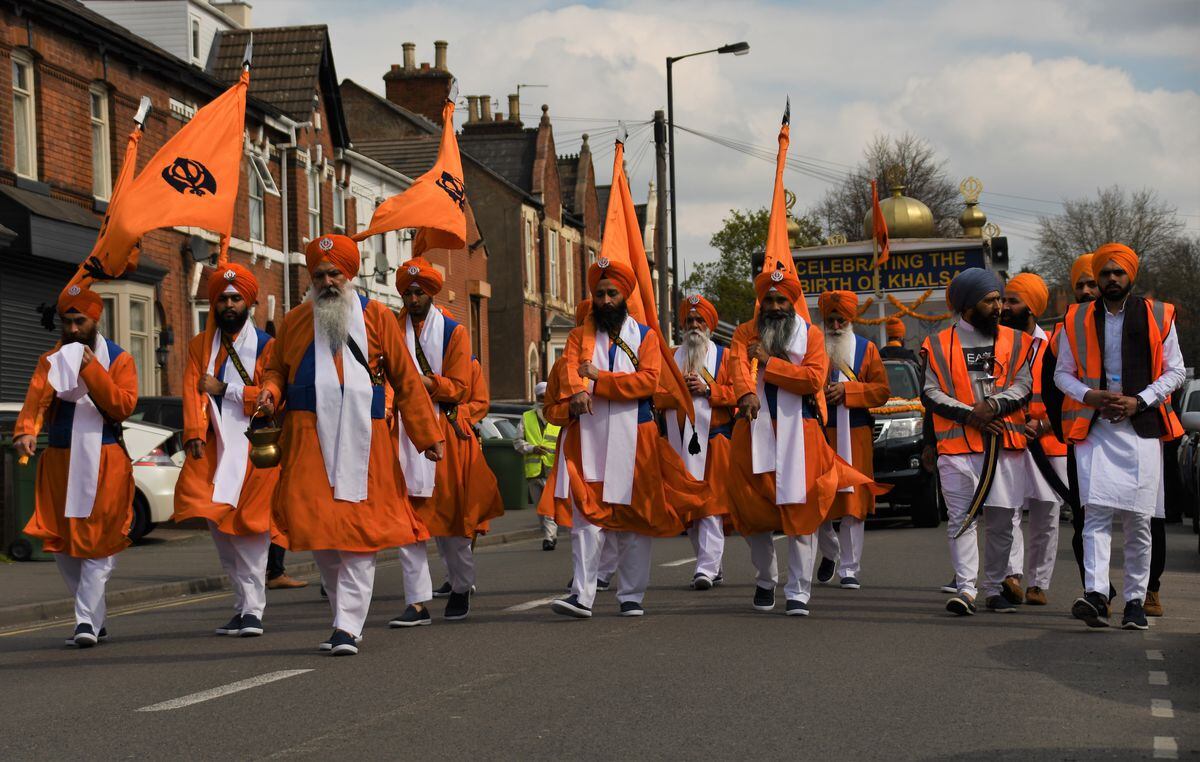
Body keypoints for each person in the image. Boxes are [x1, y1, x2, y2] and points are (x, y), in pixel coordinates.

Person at [259, 235, 444, 655]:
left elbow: (407, 381)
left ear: (349, 274)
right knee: (320, 533)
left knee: (359, 534)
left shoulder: (378, 318)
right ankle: (342, 615)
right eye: (319, 274)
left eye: (334, 274)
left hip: (367, 442)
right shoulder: (293, 322)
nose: (326, 281)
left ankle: (347, 627)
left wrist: (426, 437)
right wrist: (269, 391)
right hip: (307, 442)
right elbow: (275, 369)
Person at [548, 258, 704, 618]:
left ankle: (631, 594)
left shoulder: (647, 337)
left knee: (636, 520)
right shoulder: (577, 337)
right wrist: (576, 392)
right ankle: (582, 595)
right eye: (599, 293)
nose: (604, 300)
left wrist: (600, 380)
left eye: (611, 293)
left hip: (637, 437)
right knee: (586, 517)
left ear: (625, 295)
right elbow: (571, 371)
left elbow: (649, 381)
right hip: (588, 436)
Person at [726, 269, 877, 616]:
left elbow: (812, 379)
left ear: (792, 303)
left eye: (782, 300)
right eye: (770, 300)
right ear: (761, 302)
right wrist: (746, 393)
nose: (775, 306)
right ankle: (766, 580)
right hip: (753, 431)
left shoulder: (810, 335)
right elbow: (737, 368)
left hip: (803, 433)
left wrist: (770, 362)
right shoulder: (745, 333)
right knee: (754, 511)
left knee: (803, 511)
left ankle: (798, 590)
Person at [1055, 243, 1184, 630]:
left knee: (1139, 520)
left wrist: (1139, 400)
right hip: (1094, 427)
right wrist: (1089, 396)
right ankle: (1096, 593)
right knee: (1094, 513)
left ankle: (1134, 602)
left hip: (1142, 427)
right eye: (1105, 273)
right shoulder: (1075, 318)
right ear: (1096, 277)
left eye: (1118, 273)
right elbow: (1062, 374)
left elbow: (1175, 372)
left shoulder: (1160, 315)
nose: (1111, 279)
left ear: (1131, 276)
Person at [14, 285, 137, 647]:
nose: (71, 329)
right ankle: (94, 620)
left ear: (94, 320)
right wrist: (26, 432)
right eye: (66, 321)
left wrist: (91, 369)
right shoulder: (50, 360)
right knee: (64, 545)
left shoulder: (119, 359)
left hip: (105, 461)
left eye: (79, 321)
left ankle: (84, 621)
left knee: (100, 544)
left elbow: (122, 406)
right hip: (59, 461)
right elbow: (36, 400)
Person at [394, 257, 504, 622]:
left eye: (418, 292)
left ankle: (460, 586)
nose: (412, 299)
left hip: (447, 435)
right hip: (404, 433)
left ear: (429, 293)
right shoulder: (391, 328)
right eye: (407, 292)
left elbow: (458, 388)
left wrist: (421, 383)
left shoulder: (453, 333)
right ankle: (416, 602)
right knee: (408, 521)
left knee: (454, 525)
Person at [172, 263, 279, 637]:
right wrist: (194, 433)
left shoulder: (268, 346)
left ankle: (254, 610)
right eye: (223, 299)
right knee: (219, 529)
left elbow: (271, 399)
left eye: (235, 298)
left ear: (248, 302)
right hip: (214, 449)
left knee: (250, 531)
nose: (229, 305)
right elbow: (190, 390)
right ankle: (241, 605)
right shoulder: (200, 346)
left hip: (254, 451)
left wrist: (227, 390)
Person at [921, 268, 1034, 616]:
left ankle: (994, 587)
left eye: (999, 299)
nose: (999, 306)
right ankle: (966, 589)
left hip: (1004, 448)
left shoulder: (1017, 341)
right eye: (990, 300)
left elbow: (1024, 383)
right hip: (956, 449)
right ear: (968, 306)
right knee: (962, 520)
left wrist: (995, 406)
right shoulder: (937, 344)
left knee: (1002, 520)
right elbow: (929, 392)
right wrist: (970, 414)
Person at [655, 294, 736, 590]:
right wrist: (678, 393)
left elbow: (739, 393)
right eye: (689, 320)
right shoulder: (672, 357)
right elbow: (657, 396)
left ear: (709, 325)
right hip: (680, 444)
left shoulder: (724, 357)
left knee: (710, 507)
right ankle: (712, 565)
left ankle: (705, 567)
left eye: (699, 320)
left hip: (715, 442)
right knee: (689, 510)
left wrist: (708, 390)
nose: (694, 325)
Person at [814, 290, 891, 590]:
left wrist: (849, 393)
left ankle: (850, 569)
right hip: (819, 433)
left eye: (840, 320)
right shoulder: (812, 348)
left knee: (853, 503)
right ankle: (831, 552)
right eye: (830, 320)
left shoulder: (867, 348)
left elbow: (881, 391)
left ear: (850, 320)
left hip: (856, 434)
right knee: (818, 502)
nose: (834, 326)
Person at [999, 273, 1066, 607]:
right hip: (1009, 439)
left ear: (1033, 307)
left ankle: (1039, 582)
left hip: (1049, 442)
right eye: (1004, 300)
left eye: (1013, 301)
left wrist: (1044, 424)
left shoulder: (1054, 344)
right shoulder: (997, 343)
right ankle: (1011, 575)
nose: (1005, 307)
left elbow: (1070, 395)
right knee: (1006, 510)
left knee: (1046, 515)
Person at [515, 381, 561, 550]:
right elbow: (517, 442)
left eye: (545, 397)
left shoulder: (558, 416)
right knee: (540, 508)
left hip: (552, 469)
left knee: (548, 505)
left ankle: (549, 537)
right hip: (534, 471)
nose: (543, 400)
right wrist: (532, 448)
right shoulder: (526, 417)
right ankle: (550, 533)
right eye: (540, 397)